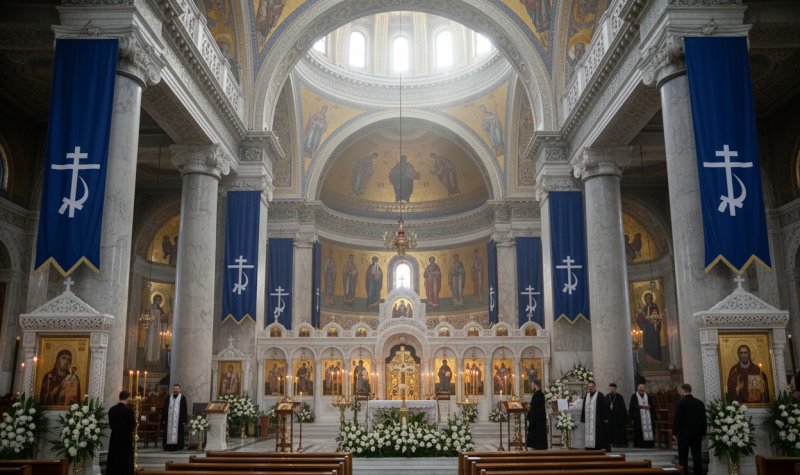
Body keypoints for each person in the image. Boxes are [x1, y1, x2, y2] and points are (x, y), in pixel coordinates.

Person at [673, 383, 707, 475]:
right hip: (696, 434)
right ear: (690, 390)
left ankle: (684, 473)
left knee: (683, 457)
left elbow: (677, 419)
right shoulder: (699, 403)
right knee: (697, 456)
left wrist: (674, 432)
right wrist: (703, 433)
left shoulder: (680, 402)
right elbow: (703, 419)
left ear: (682, 391)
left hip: (683, 434)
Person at [107, 390, 135, 475]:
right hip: (126, 438)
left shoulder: (112, 409)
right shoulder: (129, 410)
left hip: (115, 437)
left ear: (119, 397)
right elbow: (132, 425)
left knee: (114, 457)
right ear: (127, 398)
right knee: (125, 459)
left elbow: (111, 425)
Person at [580, 381, 610, 451]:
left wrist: (605, 417)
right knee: (588, 432)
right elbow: (584, 407)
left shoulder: (600, 395)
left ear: (594, 386)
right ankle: (589, 446)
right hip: (588, 420)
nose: (590, 388)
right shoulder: (586, 395)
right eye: (589, 386)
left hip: (598, 419)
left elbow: (604, 407)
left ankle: (597, 446)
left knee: (598, 433)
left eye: (591, 386)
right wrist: (583, 418)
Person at [636, 292, 662, 364]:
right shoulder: (644, 308)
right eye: (647, 298)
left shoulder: (654, 306)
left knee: (655, 344)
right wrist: (640, 315)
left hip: (654, 329)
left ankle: (657, 361)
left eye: (649, 298)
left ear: (651, 299)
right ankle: (649, 362)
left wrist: (652, 319)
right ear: (645, 300)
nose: (648, 299)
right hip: (646, 330)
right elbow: (640, 319)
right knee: (647, 344)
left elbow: (657, 317)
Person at [162, 384, 188, 451]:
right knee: (168, 432)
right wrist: (164, 418)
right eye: (174, 388)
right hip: (169, 419)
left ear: (179, 389)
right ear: (172, 389)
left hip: (179, 420)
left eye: (177, 389)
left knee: (179, 433)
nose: (175, 390)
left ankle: (178, 446)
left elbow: (184, 409)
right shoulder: (168, 397)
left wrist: (184, 420)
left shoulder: (182, 398)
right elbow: (165, 408)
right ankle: (168, 446)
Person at [144, 294, 169, 365]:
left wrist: (164, 317)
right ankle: (148, 360)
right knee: (150, 342)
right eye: (157, 300)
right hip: (151, 328)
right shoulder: (150, 307)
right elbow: (146, 316)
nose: (159, 302)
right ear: (154, 300)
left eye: (160, 300)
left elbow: (163, 319)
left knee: (157, 344)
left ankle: (156, 361)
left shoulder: (161, 309)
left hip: (158, 328)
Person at [629, 383, 656, 448]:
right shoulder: (634, 396)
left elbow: (652, 405)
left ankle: (649, 444)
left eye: (642, 387)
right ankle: (639, 444)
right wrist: (640, 406)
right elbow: (632, 406)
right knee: (639, 430)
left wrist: (650, 407)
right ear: (637, 388)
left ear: (644, 388)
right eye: (640, 387)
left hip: (648, 416)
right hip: (638, 416)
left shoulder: (648, 396)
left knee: (649, 429)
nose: (641, 389)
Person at [526, 380, 548, 449]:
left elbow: (535, 407)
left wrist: (529, 407)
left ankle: (537, 445)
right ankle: (537, 445)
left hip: (537, 419)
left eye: (532, 385)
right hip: (538, 418)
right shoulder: (539, 394)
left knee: (537, 432)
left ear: (536, 385)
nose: (531, 387)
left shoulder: (538, 394)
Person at [607, 383, 628, 448]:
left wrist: (621, 418)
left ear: (615, 389)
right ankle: (611, 442)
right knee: (610, 431)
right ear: (609, 389)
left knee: (618, 431)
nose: (612, 390)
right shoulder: (607, 396)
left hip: (617, 418)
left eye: (613, 389)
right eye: (610, 389)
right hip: (609, 418)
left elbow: (622, 408)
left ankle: (618, 443)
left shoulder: (619, 397)